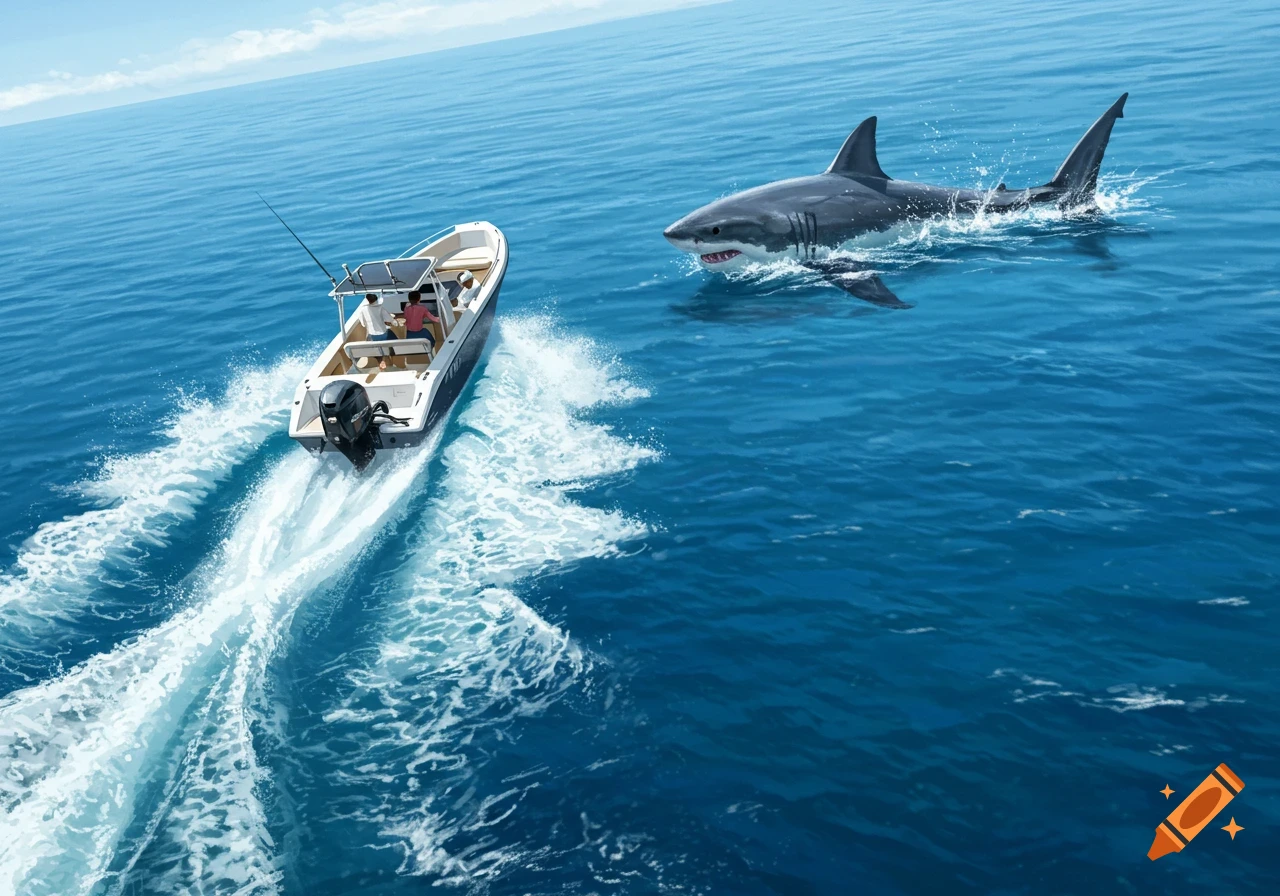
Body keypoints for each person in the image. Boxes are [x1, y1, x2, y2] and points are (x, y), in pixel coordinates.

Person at [355, 292, 396, 370]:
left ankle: (380, 360)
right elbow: (389, 319)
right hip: (384, 334)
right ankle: (387, 358)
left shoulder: (363, 309)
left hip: (372, 335)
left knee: (374, 345)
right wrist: (395, 322)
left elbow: (363, 324)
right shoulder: (380, 308)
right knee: (393, 341)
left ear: (368, 300)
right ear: (376, 300)